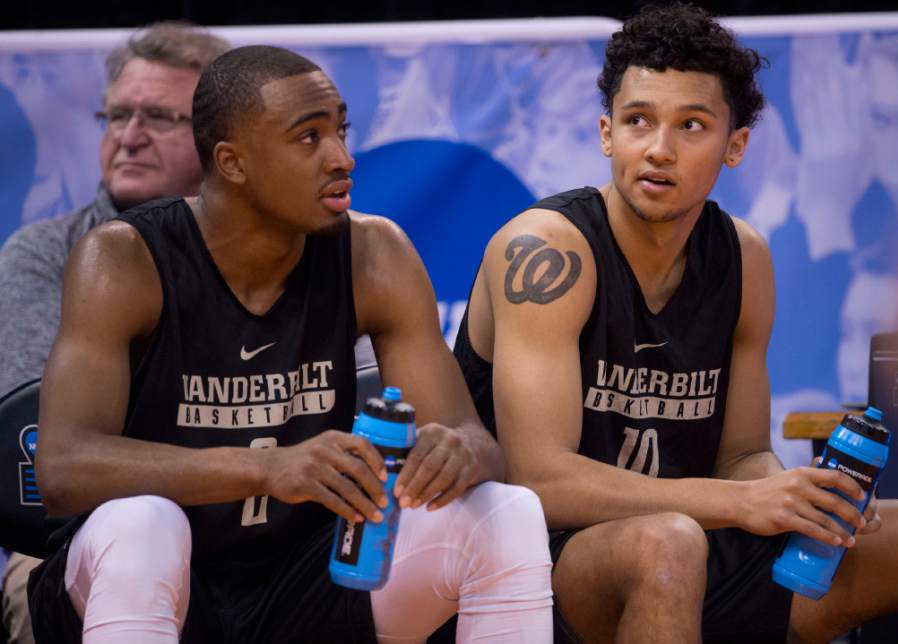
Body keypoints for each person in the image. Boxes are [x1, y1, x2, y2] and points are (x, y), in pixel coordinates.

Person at [453, 4, 898, 643]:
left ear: (735, 145)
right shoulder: (547, 249)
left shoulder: (745, 257)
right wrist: (740, 503)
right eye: (639, 121)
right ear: (607, 132)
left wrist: (790, 494)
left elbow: (741, 456)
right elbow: (540, 480)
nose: (659, 150)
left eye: (691, 125)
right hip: (532, 565)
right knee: (668, 545)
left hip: (687, 543)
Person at [27, 45, 552, 644]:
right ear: (232, 162)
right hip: (150, 578)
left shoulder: (374, 253)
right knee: (144, 523)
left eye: (341, 131)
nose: (343, 158)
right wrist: (266, 466)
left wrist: (455, 451)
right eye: (309, 138)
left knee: (509, 514)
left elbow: (477, 440)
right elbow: (63, 468)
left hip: (303, 581)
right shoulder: (123, 259)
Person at [0, 23, 231, 644]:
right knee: (38, 585)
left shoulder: (289, 257)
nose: (129, 137)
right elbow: (30, 436)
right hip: (70, 533)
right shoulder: (43, 253)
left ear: (223, 141)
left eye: (159, 117)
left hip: (259, 525)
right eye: (116, 115)